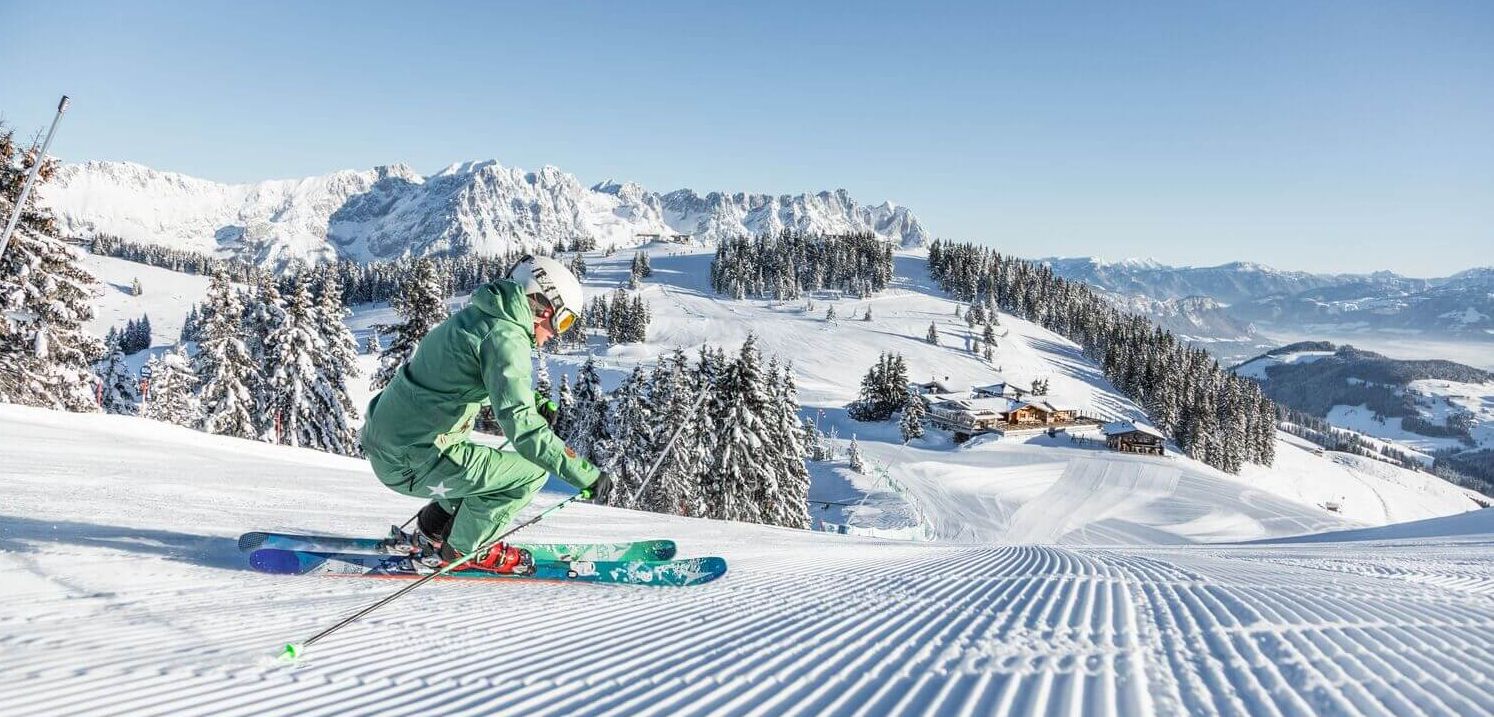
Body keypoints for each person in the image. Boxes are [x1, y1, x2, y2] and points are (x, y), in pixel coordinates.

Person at [360, 255, 610, 574]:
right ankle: (466, 549)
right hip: (414, 461)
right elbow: (524, 430)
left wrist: (530, 402)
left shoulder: (479, 318)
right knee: (530, 472)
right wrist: (587, 474)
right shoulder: (506, 336)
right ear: (545, 306)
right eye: (562, 322)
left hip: (391, 446)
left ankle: (432, 531)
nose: (556, 334)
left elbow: (468, 378)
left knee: (484, 467)